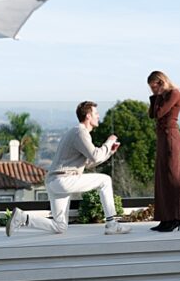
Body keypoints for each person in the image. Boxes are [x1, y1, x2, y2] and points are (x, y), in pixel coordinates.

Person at [7, 101, 131, 236]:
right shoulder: (80, 132)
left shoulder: (76, 132)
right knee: (105, 180)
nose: (98, 116)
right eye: (96, 113)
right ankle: (112, 223)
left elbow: (89, 163)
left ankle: (22, 218)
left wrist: (109, 152)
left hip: (54, 182)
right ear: (88, 116)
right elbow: (95, 156)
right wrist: (109, 141)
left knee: (59, 226)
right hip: (64, 180)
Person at [147, 71, 180, 233]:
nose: (152, 91)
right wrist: (156, 97)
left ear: (161, 82)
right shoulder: (161, 96)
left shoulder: (174, 94)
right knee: (162, 179)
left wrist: (159, 96)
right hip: (162, 137)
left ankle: (174, 218)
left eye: (154, 87)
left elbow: (159, 113)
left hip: (170, 137)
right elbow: (151, 115)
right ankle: (165, 218)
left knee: (172, 178)